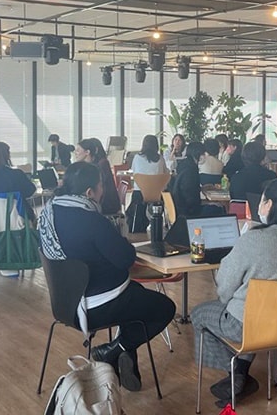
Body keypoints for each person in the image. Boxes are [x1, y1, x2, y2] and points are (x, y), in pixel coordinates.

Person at [37, 161, 175, 392]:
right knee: (164, 308)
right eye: (101, 186)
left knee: (135, 296)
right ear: (89, 192)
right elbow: (125, 258)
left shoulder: (48, 213)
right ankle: (113, 350)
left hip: (65, 303)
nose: (103, 191)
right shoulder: (92, 220)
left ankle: (121, 354)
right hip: (97, 305)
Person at [191, 178, 277, 407]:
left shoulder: (253, 239)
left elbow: (225, 286)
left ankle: (236, 372)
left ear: (269, 204)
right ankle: (240, 373)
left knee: (199, 314)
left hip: (248, 325)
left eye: (262, 201)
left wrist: (230, 302)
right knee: (246, 317)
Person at [127, 135, 168, 233]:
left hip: (140, 193)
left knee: (136, 203)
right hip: (157, 194)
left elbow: (134, 172)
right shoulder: (160, 159)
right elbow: (165, 173)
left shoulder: (137, 158)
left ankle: (137, 227)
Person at [169, 142, 223, 218]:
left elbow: (188, 189)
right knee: (219, 208)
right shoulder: (191, 171)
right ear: (197, 153)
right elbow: (191, 199)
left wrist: (201, 188)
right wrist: (206, 203)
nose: (205, 156)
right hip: (189, 212)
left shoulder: (183, 166)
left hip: (179, 208)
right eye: (203, 153)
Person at [75, 138, 120, 215]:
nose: (75, 153)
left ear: (87, 152)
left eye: (78, 150)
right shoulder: (89, 166)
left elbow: (102, 189)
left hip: (105, 205)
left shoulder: (100, 165)